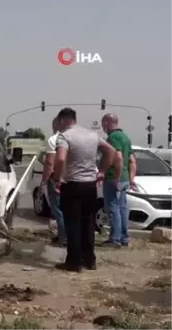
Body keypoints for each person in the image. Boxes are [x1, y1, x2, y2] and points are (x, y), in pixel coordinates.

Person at [52, 108, 116, 272]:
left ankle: (73, 262)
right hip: (90, 185)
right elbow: (111, 150)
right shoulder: (92, 135)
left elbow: (60, 158)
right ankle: (89, 259)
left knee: (72, 223)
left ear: (63, 120)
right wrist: (101, 171)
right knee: (88, 223)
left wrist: (58, 178)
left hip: (72, 184)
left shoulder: (65, 136)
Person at [100, 113, 135, 248]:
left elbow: (118, 158)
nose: (103, 126)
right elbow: (132, 161)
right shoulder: (126, 137)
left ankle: (115, 239)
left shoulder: (112, 137)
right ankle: (124, 238)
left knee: (113, 208)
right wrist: (131, 179)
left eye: (103, 123)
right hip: (125, 179)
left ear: (107, 123)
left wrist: (115, 177)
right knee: (122, 208)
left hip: (113, 178)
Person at [41, 117, 66, 246]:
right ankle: (68, 236)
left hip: (56, 179)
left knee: (57, 209)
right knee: (68, 209)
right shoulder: (72, 138)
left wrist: (44, 181)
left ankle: (63, 238)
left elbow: (50, 162)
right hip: (72, 179)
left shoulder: (53, 140)